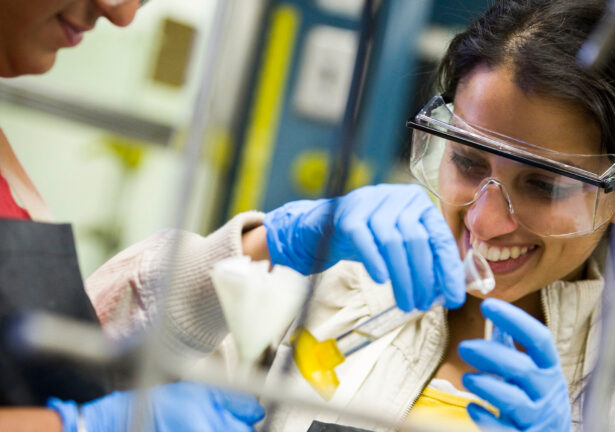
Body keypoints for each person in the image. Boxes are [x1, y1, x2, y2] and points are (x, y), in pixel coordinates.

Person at [53, 1, 615, 432]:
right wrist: (270, 243)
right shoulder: (327, 290)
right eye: (469, 164)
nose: (484, 221)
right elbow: (71, 367)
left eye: (543, 184)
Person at [0, 1, 463, 430]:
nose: (120, 13)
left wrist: (263, 247)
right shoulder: (343, 300)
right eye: (468, 161)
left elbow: (62, 356)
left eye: (538, 183)